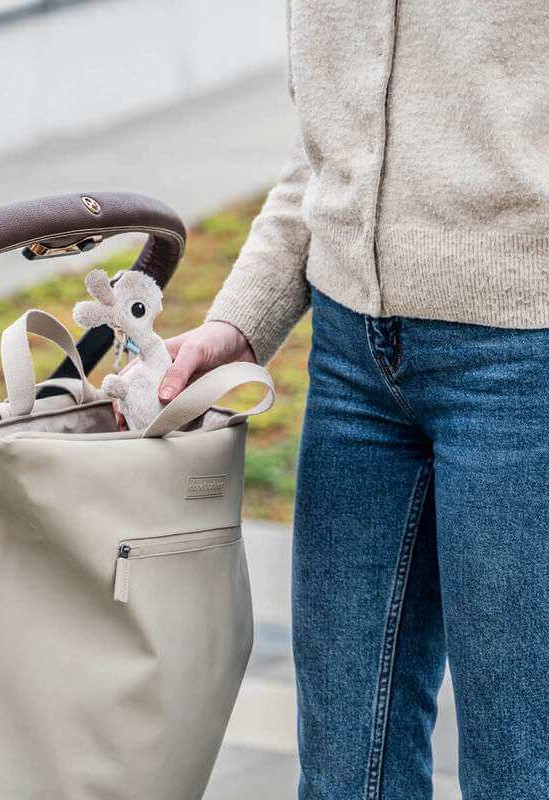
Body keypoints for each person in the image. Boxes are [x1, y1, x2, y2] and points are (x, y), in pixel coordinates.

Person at [157, 4, 549, 799]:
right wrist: (239, 320)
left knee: (518, 766)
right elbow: (322, 157)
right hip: (353, 367)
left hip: (522, 361)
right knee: (342, 770)